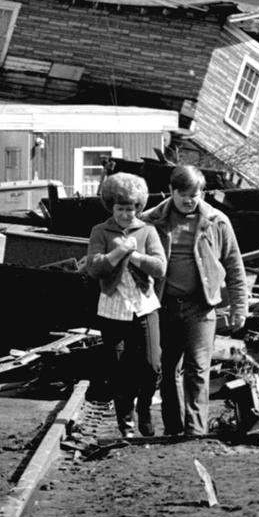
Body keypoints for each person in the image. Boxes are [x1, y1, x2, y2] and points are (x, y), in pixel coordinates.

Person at [142, 165, 248, 436]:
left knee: (198, 369)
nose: (190, 200)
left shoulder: (217, 221)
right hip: (163, 305)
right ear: (171, 191)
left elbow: (234, 267)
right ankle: (174, 428)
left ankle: (196, 431)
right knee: (167, 370)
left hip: (200, 307)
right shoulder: (151, 221)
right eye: (184, 194)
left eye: (196, 194)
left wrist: (240, 307)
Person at [86, 173, 166, 439]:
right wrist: (117, 252)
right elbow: (94, 268)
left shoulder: (148, 231)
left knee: (152, 365)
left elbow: (160, 267)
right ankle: (126, 425)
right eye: (120, 208)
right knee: (119, 369)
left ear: (138, 208)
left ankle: (144, 408)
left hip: (144, 307)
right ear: (112, 207)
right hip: (113, 310)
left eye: (130, 209)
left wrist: (135, 255)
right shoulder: (100, 231)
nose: (125, 214)